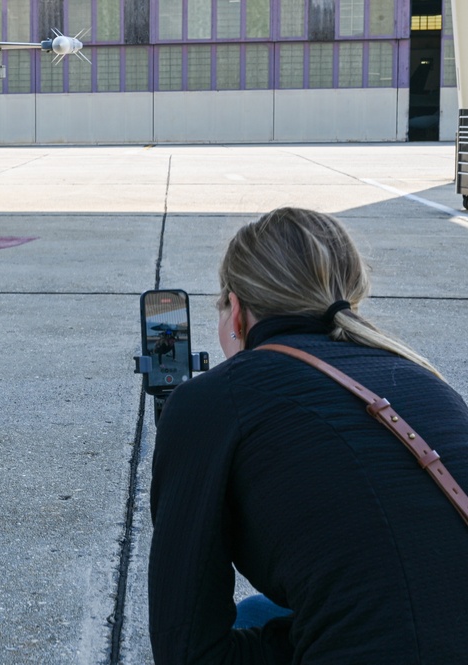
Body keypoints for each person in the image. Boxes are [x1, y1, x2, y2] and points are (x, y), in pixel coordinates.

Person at [148, 207, 468, 663]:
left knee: (253, 618)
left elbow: (187, 649)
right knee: (268, 610)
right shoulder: (425, 380)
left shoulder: (215, 399)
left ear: (236, 312)